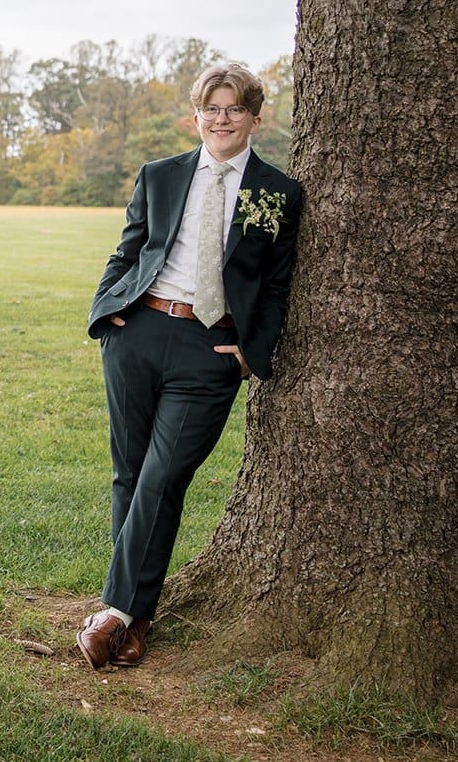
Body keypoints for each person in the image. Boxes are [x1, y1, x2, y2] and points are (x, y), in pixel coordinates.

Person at [79, 63, 301, 670]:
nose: (221, 120)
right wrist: (108, 314)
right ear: (196, 116)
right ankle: (135, 621)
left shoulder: (277, 192)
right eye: (212, 109)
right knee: (130, 474)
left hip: (211, 349)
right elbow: (127, 250)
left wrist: (254, 352)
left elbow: (277, 286)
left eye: (234, 110)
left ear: (256, 118)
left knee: (161, 478)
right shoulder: (160, 175)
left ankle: (111, 615)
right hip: (139, 333)